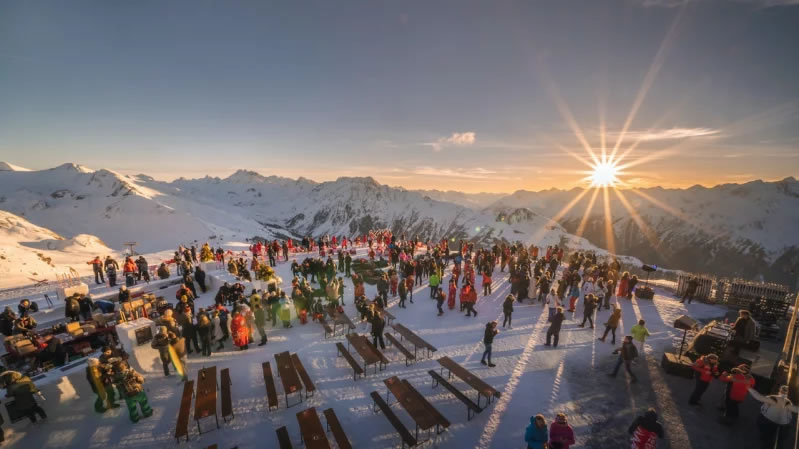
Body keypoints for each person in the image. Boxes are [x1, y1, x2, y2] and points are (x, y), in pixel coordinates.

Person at [749, 385, 799, 449]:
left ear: (779, 391)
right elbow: (796, 410)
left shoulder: (773, 398)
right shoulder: (788, 402)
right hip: (782, 424)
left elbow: (759, 397)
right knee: (778, 439)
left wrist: (749, 388)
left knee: (766, 435)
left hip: (767, 420)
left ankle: (766, 442)